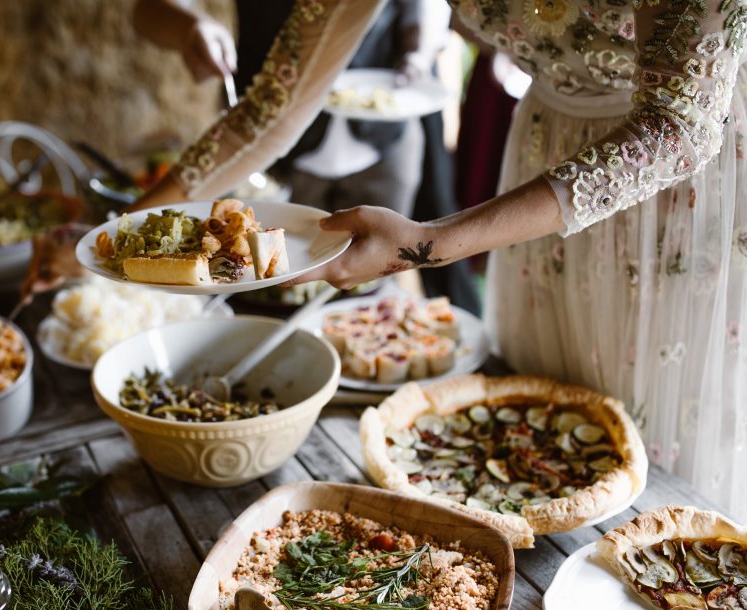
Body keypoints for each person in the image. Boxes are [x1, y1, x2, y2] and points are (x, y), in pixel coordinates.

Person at [133, 0, 747, 519]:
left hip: (675, 193)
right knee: (537, 430)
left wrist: (425, 243)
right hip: (542, 157)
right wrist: (123, 230)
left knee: (659, 452)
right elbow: (267, 111)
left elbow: (679, 128)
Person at [131, 0, 481, 313]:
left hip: (387, 139)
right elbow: (146, 10)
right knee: (276, 291)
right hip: (273, 163)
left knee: (373, 296)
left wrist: (420, 48)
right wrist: (190, 26)